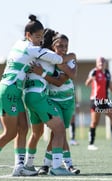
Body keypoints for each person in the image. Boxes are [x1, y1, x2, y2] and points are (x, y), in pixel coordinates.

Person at [0, 15, 70, 177]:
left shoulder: (20, 43)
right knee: (10, 132)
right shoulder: (31, 49)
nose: (40, 40)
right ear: (28, 35)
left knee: (23, 129)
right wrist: (72, 56)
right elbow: (58, 58)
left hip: (16, 93)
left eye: (41, 37)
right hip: (8, 91)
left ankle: (20, 166)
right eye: (37, 36)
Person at [23, 29, 76, 176]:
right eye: (59, 45)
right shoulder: (50, 58)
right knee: (59, 131)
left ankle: (29, 165)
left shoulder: (38, 54)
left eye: (65, 46)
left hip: (60, 100)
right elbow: (61, 79)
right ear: (52, 45)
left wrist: (70, 57)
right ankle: (58, 166)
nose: (63, 48)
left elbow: (70, 75)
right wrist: (66, 60)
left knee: (39, 133)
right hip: (46, 99)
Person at [85, 57, 112, 150]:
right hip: (96, 100)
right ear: (96, 63)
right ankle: (90, 144)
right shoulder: (94, 72)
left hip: (106, 100)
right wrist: (91, 79)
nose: (101, 63)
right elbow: (86, 83)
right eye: (99, 62)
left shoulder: (107, 73)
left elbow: (110, 86)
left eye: (103, 61)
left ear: (105, 63)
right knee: (95, 122)